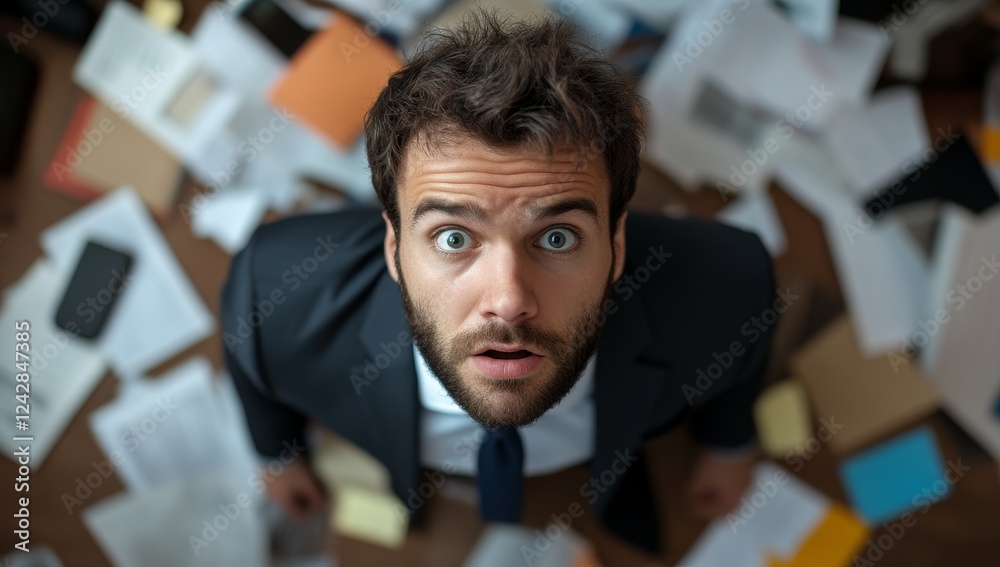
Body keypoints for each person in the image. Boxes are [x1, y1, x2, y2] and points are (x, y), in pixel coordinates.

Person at [222, 9, 777, 554]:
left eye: (557, 237)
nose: (508, 303)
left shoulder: (731, 290)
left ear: (617, 247)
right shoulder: (271, 299)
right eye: (453, 238)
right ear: (394, 249)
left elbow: (741, 368)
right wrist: (276, 455)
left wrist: (729, 443)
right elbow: (255, 371)